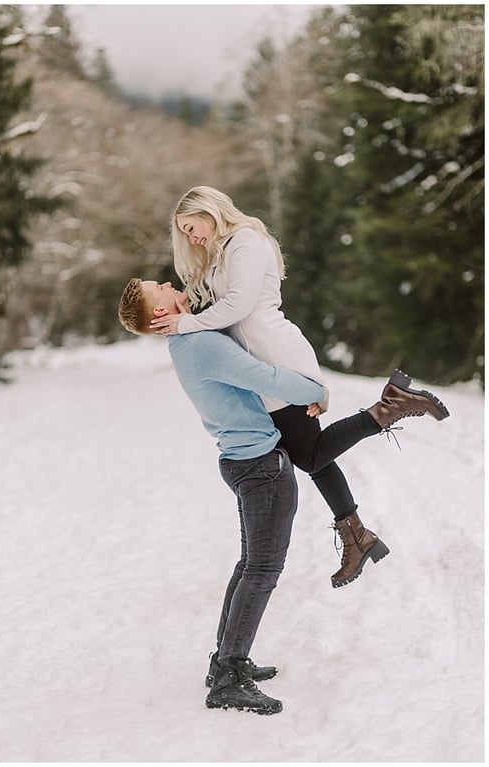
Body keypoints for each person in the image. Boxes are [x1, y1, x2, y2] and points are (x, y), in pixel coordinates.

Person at [118, 277, 450, 714]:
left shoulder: (186, 343)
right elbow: (265, 376)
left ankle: (225, 661)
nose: (165, 282)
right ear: (159, 312)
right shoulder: (198, 344)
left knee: (250, 564)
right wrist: (317, 391)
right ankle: (228, 675)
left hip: (245, 462)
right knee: (262, 568)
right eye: (156, 287)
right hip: (261, 468)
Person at [149, 186, 449, 587]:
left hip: (278, 354)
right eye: (184, 233)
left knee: (308, 456)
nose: (191, 238)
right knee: (310, 454)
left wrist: (185, 322)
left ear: (210, 211)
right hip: (263, 362)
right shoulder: (224, 252)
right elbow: (224, 314)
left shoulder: (246, 241)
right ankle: (357, 535)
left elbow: (238, 305)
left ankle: (390, 407)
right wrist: (189, 314)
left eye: (191, 227)